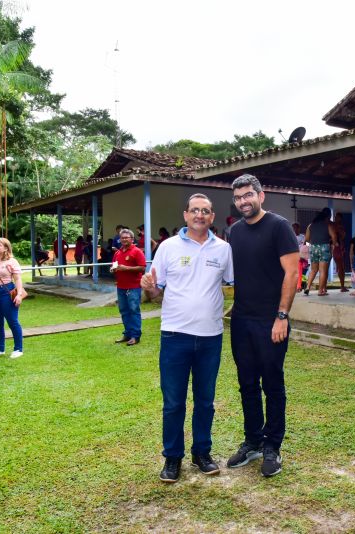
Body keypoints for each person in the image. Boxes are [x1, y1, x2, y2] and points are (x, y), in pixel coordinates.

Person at [141, 193, 234, 483]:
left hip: (210, 337)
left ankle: (202, 453)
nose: (200, 215)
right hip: (174, 335)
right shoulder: (167, 247)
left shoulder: (223, 249)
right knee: (173, 402)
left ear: (212, 216)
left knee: (205, 401)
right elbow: (155, 291)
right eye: (195, 210)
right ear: (185, 215)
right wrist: (149, 287)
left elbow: (231, 285)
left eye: (205, 211)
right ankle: (172, 458)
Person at [227, 174, 299, 477]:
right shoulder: (234, 232)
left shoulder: (279, 227)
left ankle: (273, 446)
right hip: (242, 320)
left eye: (248, 195)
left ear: (261, 195)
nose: (244, 201)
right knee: (247, 384)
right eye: (239, 197)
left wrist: (281, 316)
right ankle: (253, 441)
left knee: (272, 384)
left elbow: (292, 274)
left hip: (271, 321)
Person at [111, 229, 146, 346]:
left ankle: (136, 336)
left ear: (132, 239)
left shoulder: (137, 252)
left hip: (133, 287)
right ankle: (127, 334)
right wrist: (113, 269)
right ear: (119, 239)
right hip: (121, 286)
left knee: (134, 310)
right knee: (124, 311)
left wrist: (126, 268)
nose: (124, 239)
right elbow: (114, 265)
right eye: (122, 238)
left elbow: (142, 268)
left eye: (127, 237)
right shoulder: (118, 253)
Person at [303, 208, 336, 296]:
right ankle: (320, 291)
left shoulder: (310, 226)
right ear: (325, 217)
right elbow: (334, 237)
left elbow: (306, 240)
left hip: (313, 248)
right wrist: (333, 244)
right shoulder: (328, 225)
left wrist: (309, 246)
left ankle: (307, 287)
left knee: (313, 270)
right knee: (322, 271)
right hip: (324, 247)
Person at [331, 215, 348, 292]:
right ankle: (342, 286)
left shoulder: (337, 226)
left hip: (338, 248)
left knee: (341, 268)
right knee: (341, 268)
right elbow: (343, 236)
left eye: (338, 217)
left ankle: (342, 286)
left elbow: (343, 236)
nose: (337, 219)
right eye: (336, 217)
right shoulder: (334, 226)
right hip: (337, 248)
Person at [293, 222, 309, 287]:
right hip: (295, 257)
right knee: (297, 272)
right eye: (294, 228)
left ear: (299, 229)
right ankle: (297, 285)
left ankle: (303, 284)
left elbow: (307, 245)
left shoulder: (303, 236)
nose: (295, 230)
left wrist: (306, 245)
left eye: (297, 228)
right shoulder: (291, 237)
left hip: (303, 257)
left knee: (304, 271)